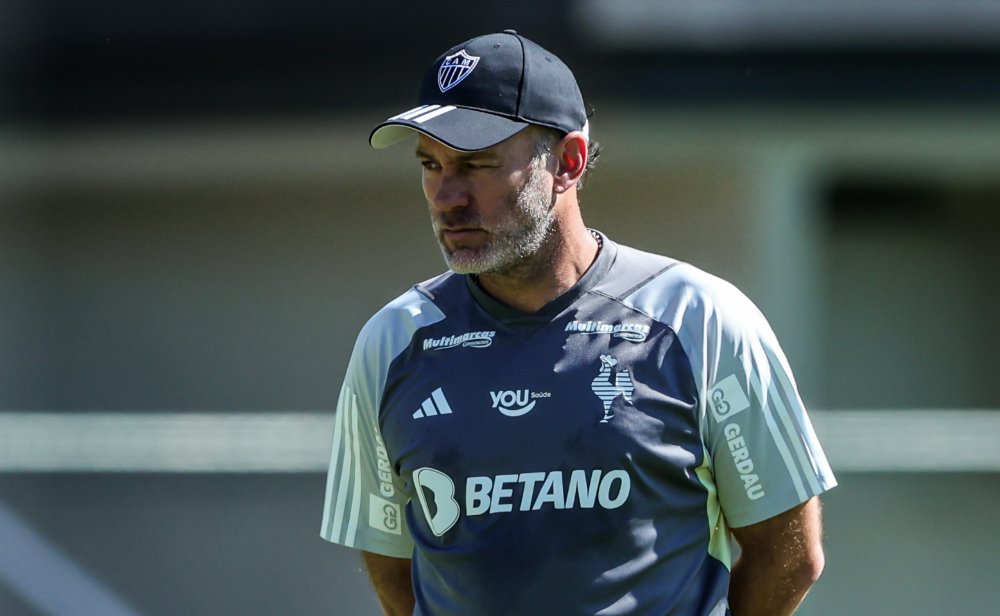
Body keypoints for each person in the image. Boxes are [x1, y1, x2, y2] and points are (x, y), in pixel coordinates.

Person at [321, 30, 837, 616]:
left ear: (566, 162)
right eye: (430, 165)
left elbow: (789, 556)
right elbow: (394, 569)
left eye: (477, 164)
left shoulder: (699, 318)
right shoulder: (391, 342)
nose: (447, 196)